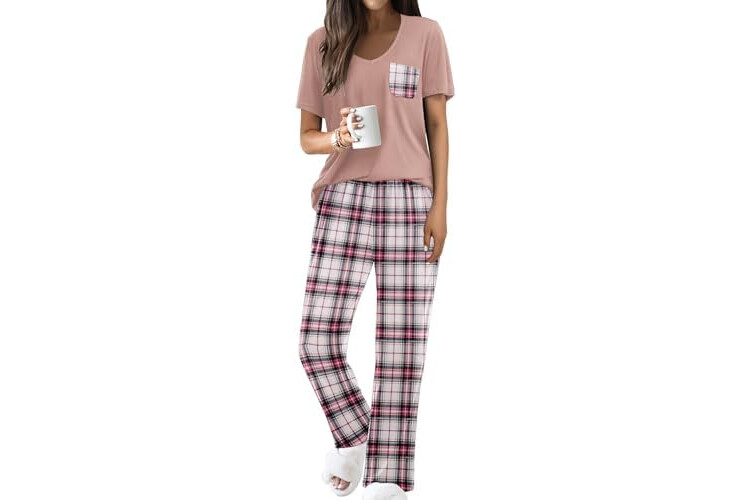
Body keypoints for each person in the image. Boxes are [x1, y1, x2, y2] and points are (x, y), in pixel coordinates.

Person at [296, 1, 454, 498]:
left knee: (401, 350)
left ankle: (388, 479)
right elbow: (307, 138)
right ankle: (359, 440)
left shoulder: (426, 34)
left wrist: (440, 206)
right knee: (316, 342)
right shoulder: (321, 43)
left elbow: (437, 125)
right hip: (343, 198)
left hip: (410, 199)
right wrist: (337, 138)